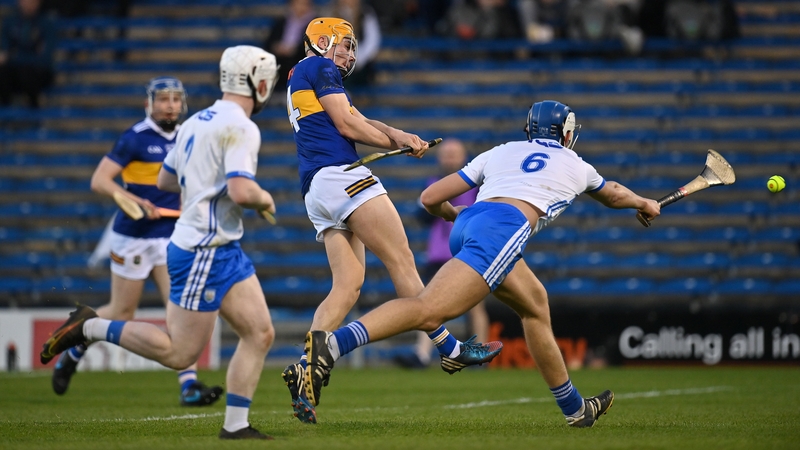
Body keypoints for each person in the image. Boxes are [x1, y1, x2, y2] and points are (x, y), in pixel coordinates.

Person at [302, 100, 661, 427]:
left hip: (469, 223)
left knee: (535, 305)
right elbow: (612, 193)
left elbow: (430, 198)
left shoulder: (502, 151)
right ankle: (331, 346)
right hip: (502, 232)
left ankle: (575, 410)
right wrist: (644, 203)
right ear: (566, 133)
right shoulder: (576, 164)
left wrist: (454, 215)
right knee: (429, 310)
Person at [40, 45, 281, 440]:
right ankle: (91, 328)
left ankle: (235, 426)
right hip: (204, 249)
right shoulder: (242, 126)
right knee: (179, 353)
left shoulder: (195, 122)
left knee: (260, 333)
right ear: (258, 82)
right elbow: (242, 191)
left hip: (221, 247)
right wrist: (264, 199)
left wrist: (207, 186)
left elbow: (166, 182)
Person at [284, 17, 502, 424]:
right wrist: (397, 141)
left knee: (347, 288)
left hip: (317, 191)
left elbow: (356, 116)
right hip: (344, 178)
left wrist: (400, 135)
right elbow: (350, 125)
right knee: (402, 260)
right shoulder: (320, 67)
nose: (350, 54)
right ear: (323, 41)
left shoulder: (303, 73)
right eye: (345, 45)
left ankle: (305, 366)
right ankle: (449, 349)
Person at [51, 76, 223, 407]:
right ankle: (73, 349)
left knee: (179, 310)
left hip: (171, 237)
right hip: (132, 236)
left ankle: (189, 385)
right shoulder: (135, 138)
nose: (170, 105)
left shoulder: (189, 135)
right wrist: (130, 199)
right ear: (150, 103)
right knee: (121, 311)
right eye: (163, 99)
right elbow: (100, 180)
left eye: (175, 99)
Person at [395, 138, 490, 369]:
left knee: (475, 305)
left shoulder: (478, 186)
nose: (449, 159)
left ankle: (482, 355)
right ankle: (422, 354)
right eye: (446, 154)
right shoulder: (432, 184)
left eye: (453, 154)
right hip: (438, 253)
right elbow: (422, 217)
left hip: (467, 252)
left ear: (463, 157)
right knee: (428, 302)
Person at [0, 0, 56, 108]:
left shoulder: (47, 23)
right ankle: (5, 108)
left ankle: (34, 106)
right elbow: (4, 51)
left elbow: (45, 58)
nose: (29, 4)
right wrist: (30, 54)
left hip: (37, 73)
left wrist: (14, 56)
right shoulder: (10, 22)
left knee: (26, 72)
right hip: (14, 72)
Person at [261, 0, 317, 94]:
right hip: (279, 58)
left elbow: (314, 46)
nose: (300, 7)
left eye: (303, 4)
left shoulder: (315, 24)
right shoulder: (280, 22)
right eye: (297, 4)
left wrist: (294, 50)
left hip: (299, 58)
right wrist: (276, 47)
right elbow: (269, 43)